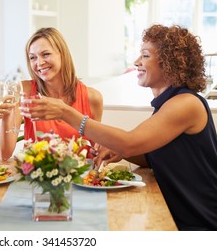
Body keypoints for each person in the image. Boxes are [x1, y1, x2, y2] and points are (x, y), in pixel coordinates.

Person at [19, 24, 217, 230]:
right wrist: (120, 151)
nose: (137, 62)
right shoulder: (168, 104)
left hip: (200, 224)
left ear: (170, 63)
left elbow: (131, 143)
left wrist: (65, 113)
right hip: (177, 217)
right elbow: (151, 155)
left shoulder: (185, 104)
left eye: (145, 56)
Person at [0, 27, 103, 161]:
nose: (39, 63)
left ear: (62, 54)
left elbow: (98, 147)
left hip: (78, 176)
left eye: (46, 54)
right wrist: (6, 114)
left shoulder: (92, 98)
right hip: (36, 176)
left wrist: (98, 151)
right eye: (32, 58)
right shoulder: (24, 91)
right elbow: (3, 154)